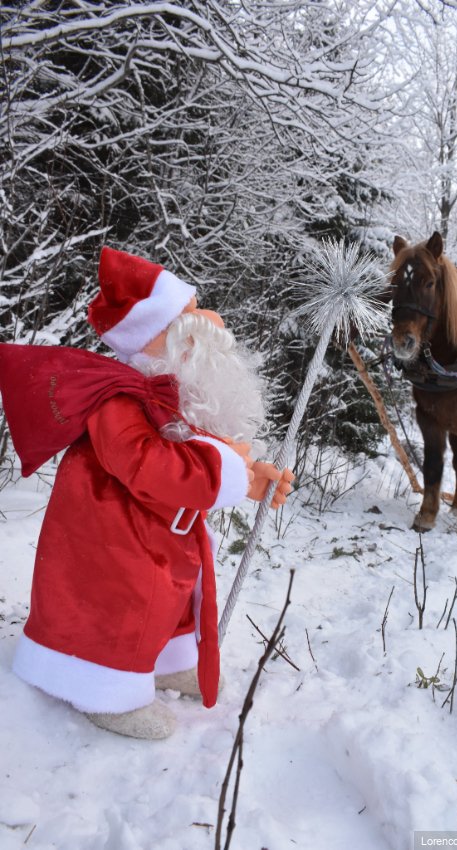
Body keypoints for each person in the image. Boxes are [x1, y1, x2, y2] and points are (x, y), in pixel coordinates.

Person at [8, 246, 293, 740]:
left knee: (167, 597)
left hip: (158, 538)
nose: (208, 320)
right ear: (154, 338)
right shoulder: (118, 399)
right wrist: (229, 475)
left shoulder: (165, 392)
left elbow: (193, 446)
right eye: (186, 316)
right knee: (122, 604)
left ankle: (164, 657)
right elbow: (149, 464)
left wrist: (250, 478)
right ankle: (104, 686)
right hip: (112, 542)